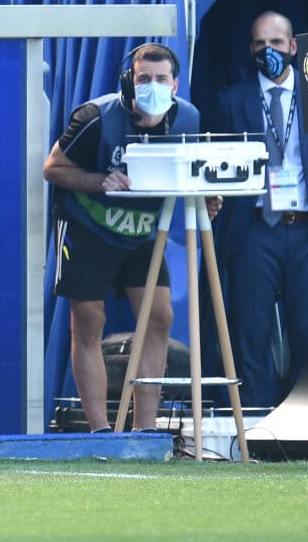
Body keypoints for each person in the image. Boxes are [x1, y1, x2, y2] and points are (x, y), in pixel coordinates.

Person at [43, 43, 220, 433]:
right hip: (88, 228)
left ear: (175, 85)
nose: (152, 86)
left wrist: (206, 197)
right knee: (89, 321)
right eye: (144, 79)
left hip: (141, 231)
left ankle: (145, 430)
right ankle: (100, 432)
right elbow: (52, 168)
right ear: (129, 81)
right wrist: (99, 181)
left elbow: (187, 173)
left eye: (161, 79)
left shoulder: (188, 119)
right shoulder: (95, 117)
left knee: (159, 317)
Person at [206, 10, 308, 408]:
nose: (268, 51)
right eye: (260, 43)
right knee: (251, 328)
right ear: (250, 49)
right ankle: (255, 419)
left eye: (276, 42)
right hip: (255, 227)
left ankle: (306, 415)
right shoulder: (232, 99)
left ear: (293, 47)